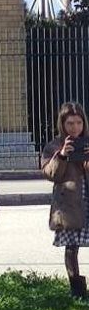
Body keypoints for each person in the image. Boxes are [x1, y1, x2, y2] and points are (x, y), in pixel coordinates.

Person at [41, 102, 89, 299]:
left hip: (87, 197)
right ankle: (77, 289)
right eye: (70, 123)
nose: (75, 128)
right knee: (72, 247)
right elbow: (50, 174)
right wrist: (61, 155)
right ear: (62, 124)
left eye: (78, 123)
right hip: (69, 204)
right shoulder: (54, 145)